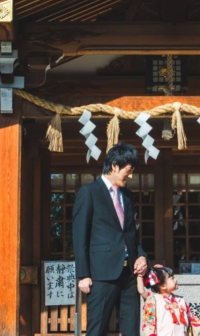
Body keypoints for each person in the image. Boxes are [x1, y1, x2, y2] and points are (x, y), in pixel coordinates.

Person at [74, 143, 148, 336]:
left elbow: (131, 234)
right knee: (97, 329)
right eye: (128, 171)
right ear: (114, 166)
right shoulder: (89, 193)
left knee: (131, 329)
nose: (131, 176)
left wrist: (141, 256)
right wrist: (83, 274)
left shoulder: (128, 196)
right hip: (101, 274)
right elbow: (79, 235)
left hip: (129, 274)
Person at [137, 265, 200, 336]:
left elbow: (191, 319)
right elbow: (141, 291)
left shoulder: (180, 300)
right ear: (163, 286)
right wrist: (139, 275)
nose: (176, 280)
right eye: (172, 278)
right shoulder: (154, 299)